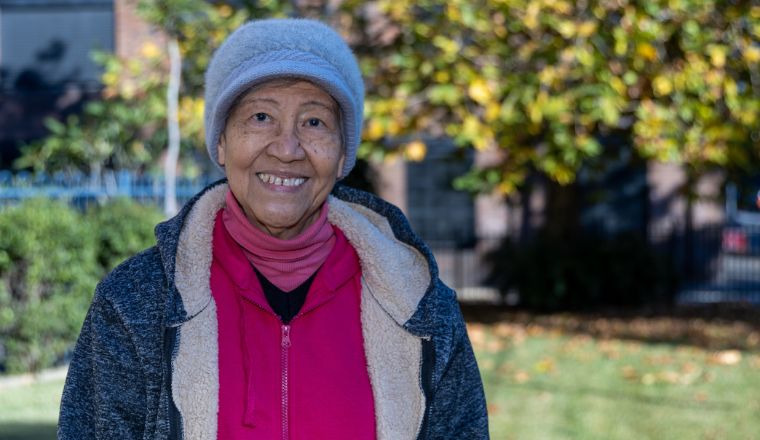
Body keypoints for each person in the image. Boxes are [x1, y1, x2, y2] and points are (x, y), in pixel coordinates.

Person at [58, 18, 488, 440]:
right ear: (221, 142)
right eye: (261, 117)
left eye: (314, 122)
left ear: (342, 155)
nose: (287, 148)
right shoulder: (136, 302)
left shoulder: (420, 306)